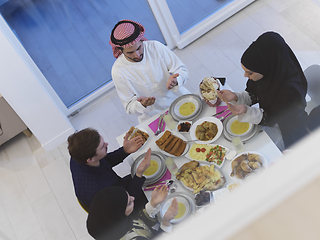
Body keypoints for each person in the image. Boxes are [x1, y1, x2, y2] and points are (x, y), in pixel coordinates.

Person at [218, 31, 308, 149]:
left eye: (249, 73)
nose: (245, 76)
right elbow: (255, 93)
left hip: (291, 128)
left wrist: (246, 109)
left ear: (267, 66)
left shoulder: (291, 90)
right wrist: (235, 96)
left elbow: (271, 117)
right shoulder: (269, 72)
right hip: (273, 119)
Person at [109, 19, 190, 123]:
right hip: (153, 117)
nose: (136, 55)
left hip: (179, 100)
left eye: (139, 48)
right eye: (130, 52)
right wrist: (141, 104)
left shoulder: (155, 47)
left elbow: (182, 69)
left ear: (142, 40)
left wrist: (177, 79)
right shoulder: (118, 71)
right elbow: (129, 106)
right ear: (120, 50)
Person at [68, 128, 150, 212]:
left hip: (119, 188)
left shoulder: (78, 156)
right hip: (122, 205)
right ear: (90, 159)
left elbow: (104, 161)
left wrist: (125, 150)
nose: (107, 144)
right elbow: (127, 200)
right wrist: (138, 174)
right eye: (102, 147)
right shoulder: (100, 190)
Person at [86, 185, 178, 240]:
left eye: (129, 196)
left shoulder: (110, 222)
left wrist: (153, 203)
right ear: (119, 215)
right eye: (129, 202)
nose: (133, 198)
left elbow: (138, 220)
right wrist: (166, 222)